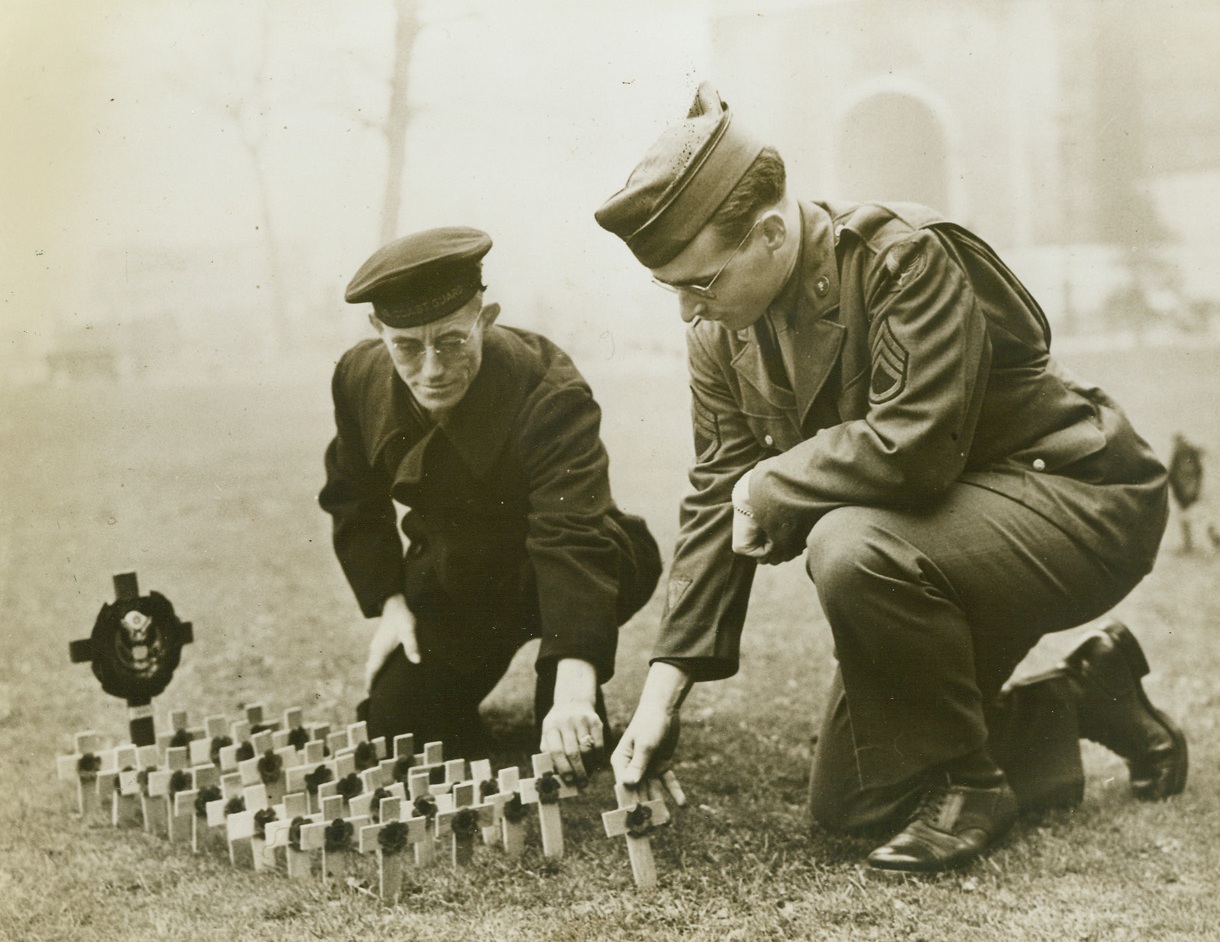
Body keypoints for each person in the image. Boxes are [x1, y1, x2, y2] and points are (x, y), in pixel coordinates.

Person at [594, 83, 1187, 872]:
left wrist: (772, 485)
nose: (687, 313)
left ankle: (973, 786)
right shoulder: (720, 331)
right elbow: (716, 493)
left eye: (699, 283)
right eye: (670, 288)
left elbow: (916, 445)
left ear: (771, 234)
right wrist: (663, 695)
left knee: (846, 541)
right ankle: (1084, 697)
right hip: (945, 545)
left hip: (1079, 500)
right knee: (857, 800)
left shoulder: (903, 256)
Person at [319, 226, 661, 784]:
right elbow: (352, 496)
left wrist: (574, 687)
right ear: (377, 330)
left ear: (486, 317)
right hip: (460, 579)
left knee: (569, 746)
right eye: (406, 346)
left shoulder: (549, 389)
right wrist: (391, 603)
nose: (431, 369)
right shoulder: (358, 377)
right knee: (396, 728)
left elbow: (571, 534)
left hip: (562, 567)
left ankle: (562, 676)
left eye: (452, 341)